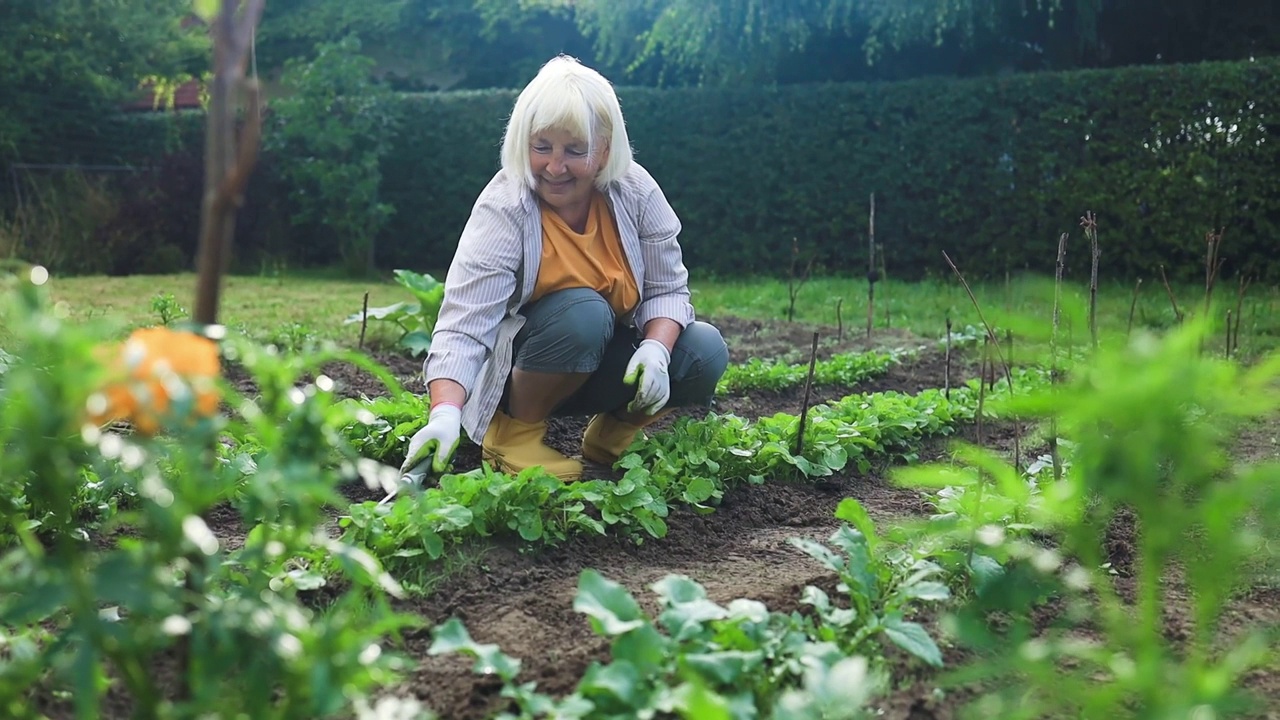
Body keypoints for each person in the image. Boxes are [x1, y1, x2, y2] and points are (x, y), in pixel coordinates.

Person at [398, 55, 729, 483]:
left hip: (598, 360)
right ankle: (513, 434)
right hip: (521, 373)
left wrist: (656, 351)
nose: (555, 167)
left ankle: (612, 435)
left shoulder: (637, 192)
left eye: (574, 150)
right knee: (583, 311)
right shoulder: (505, 208)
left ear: (605, 148)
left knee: (703, 350)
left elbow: (668, 291)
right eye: (542, 148)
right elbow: (465, 323)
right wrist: (444, 414)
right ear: (524, 142)